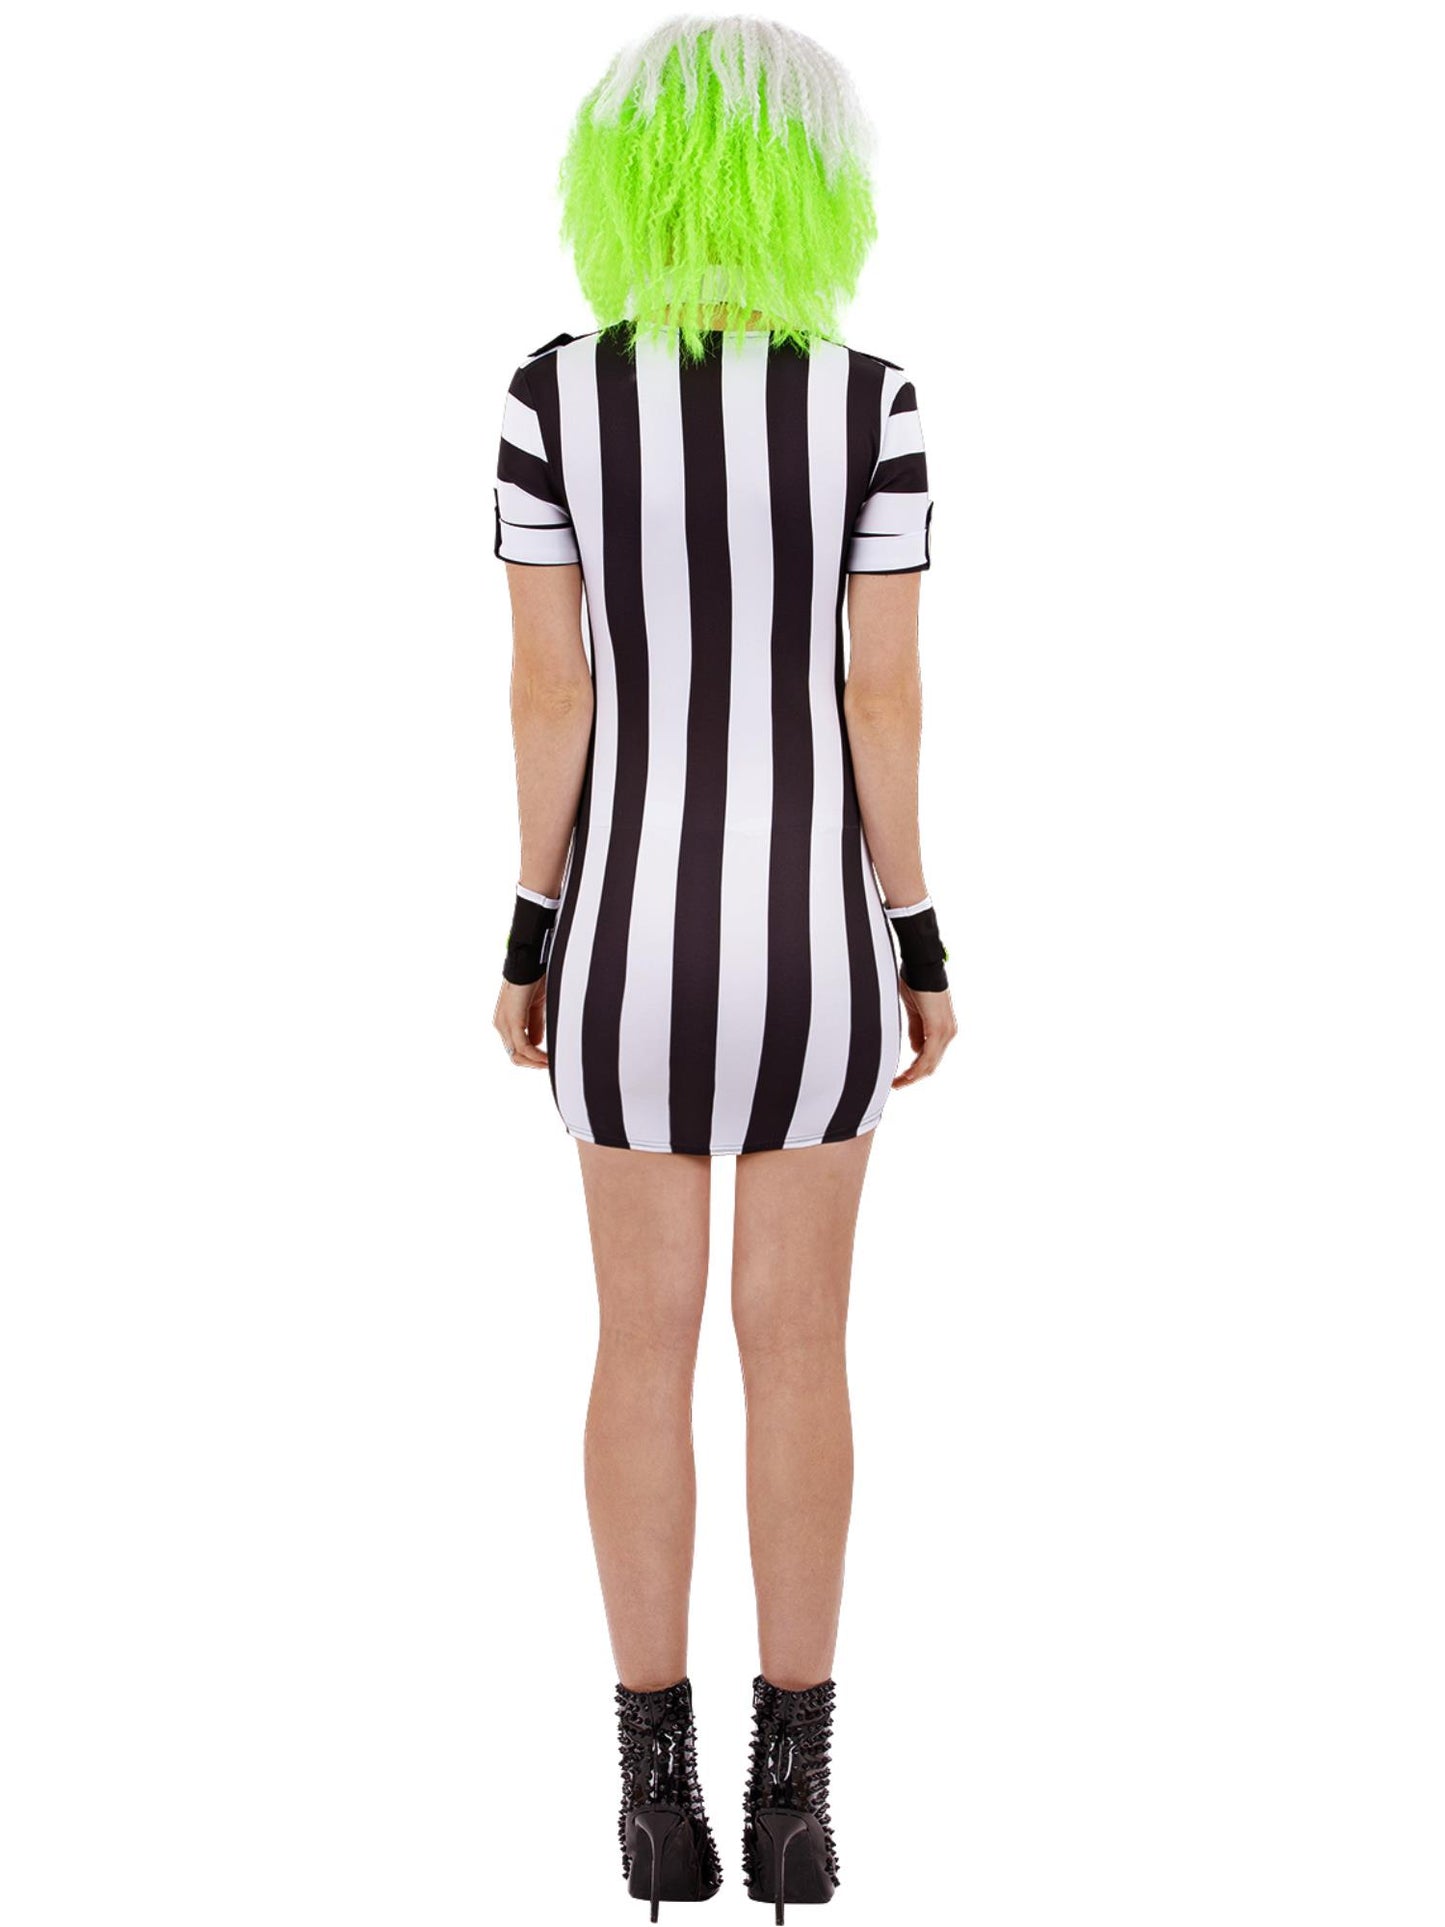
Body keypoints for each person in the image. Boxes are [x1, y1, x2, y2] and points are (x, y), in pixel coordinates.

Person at [490, 16, 957, 1918]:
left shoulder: (549, 397)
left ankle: (649, 1800)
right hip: (812, 945)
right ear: (809, 185)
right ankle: (796, 1796)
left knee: (637, 1344)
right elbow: (879, 699)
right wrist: (917, 938)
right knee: (798, 1351)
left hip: (622, 938)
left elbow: (551, 693)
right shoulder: (872, 404)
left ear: (625, 181)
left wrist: (529, 930)